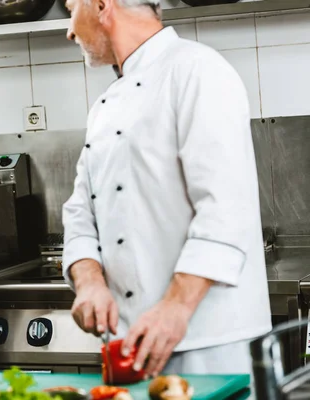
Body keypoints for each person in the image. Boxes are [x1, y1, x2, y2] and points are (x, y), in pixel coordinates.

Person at [61, 0, 272, 377]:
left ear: (100, 5)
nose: (69, 30)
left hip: (208, 344)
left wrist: (175, 307)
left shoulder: (199, 71)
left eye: (70, 7)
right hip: (130, 344)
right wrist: (89, 281)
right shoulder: (103, 108)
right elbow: (80, 211)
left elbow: (225, 208)